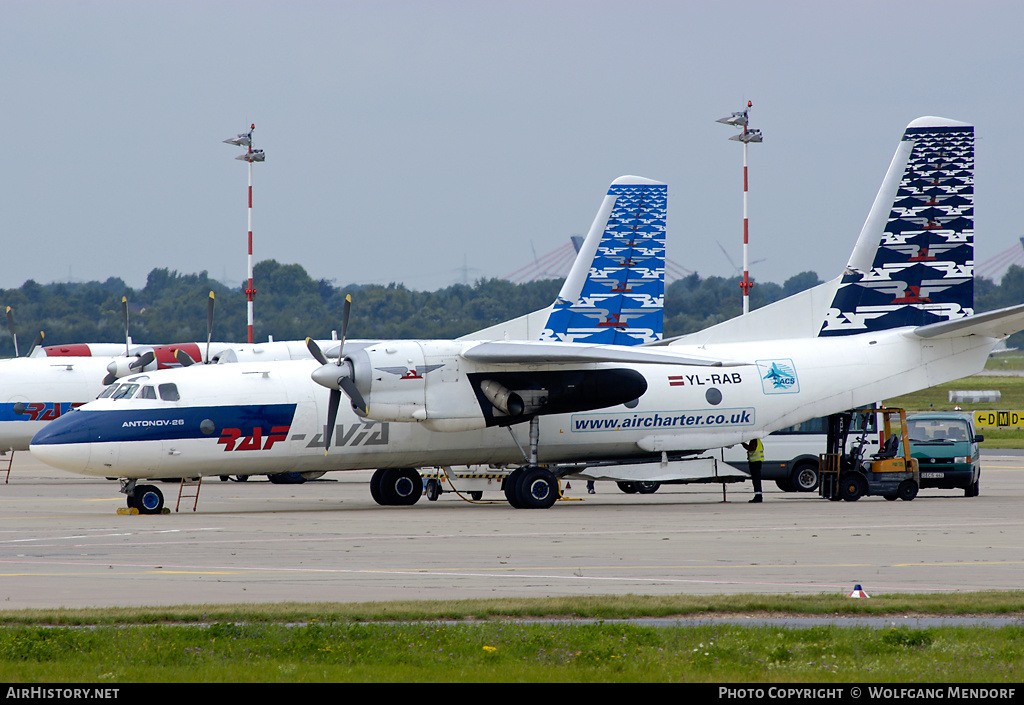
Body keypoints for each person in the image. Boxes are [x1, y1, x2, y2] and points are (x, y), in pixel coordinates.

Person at [742, 438, 764, 503]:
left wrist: (742, 443)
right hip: (756, 462)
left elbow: (751, 448)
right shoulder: (757, 440)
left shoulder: (754, 440)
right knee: (756, 480)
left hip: (755, 463)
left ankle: (758, 496)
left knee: (756, 480)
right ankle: (758, 495)